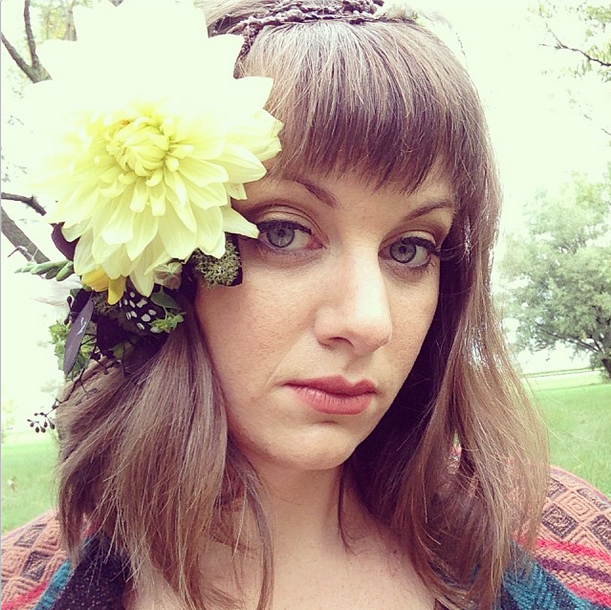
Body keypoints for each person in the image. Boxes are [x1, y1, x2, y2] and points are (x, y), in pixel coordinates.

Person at [1, 1, 609, 609]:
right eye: (284, 232)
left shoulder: (572, 542)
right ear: (159, 268)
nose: (369, 323)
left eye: (409, 249)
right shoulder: (18, 584)